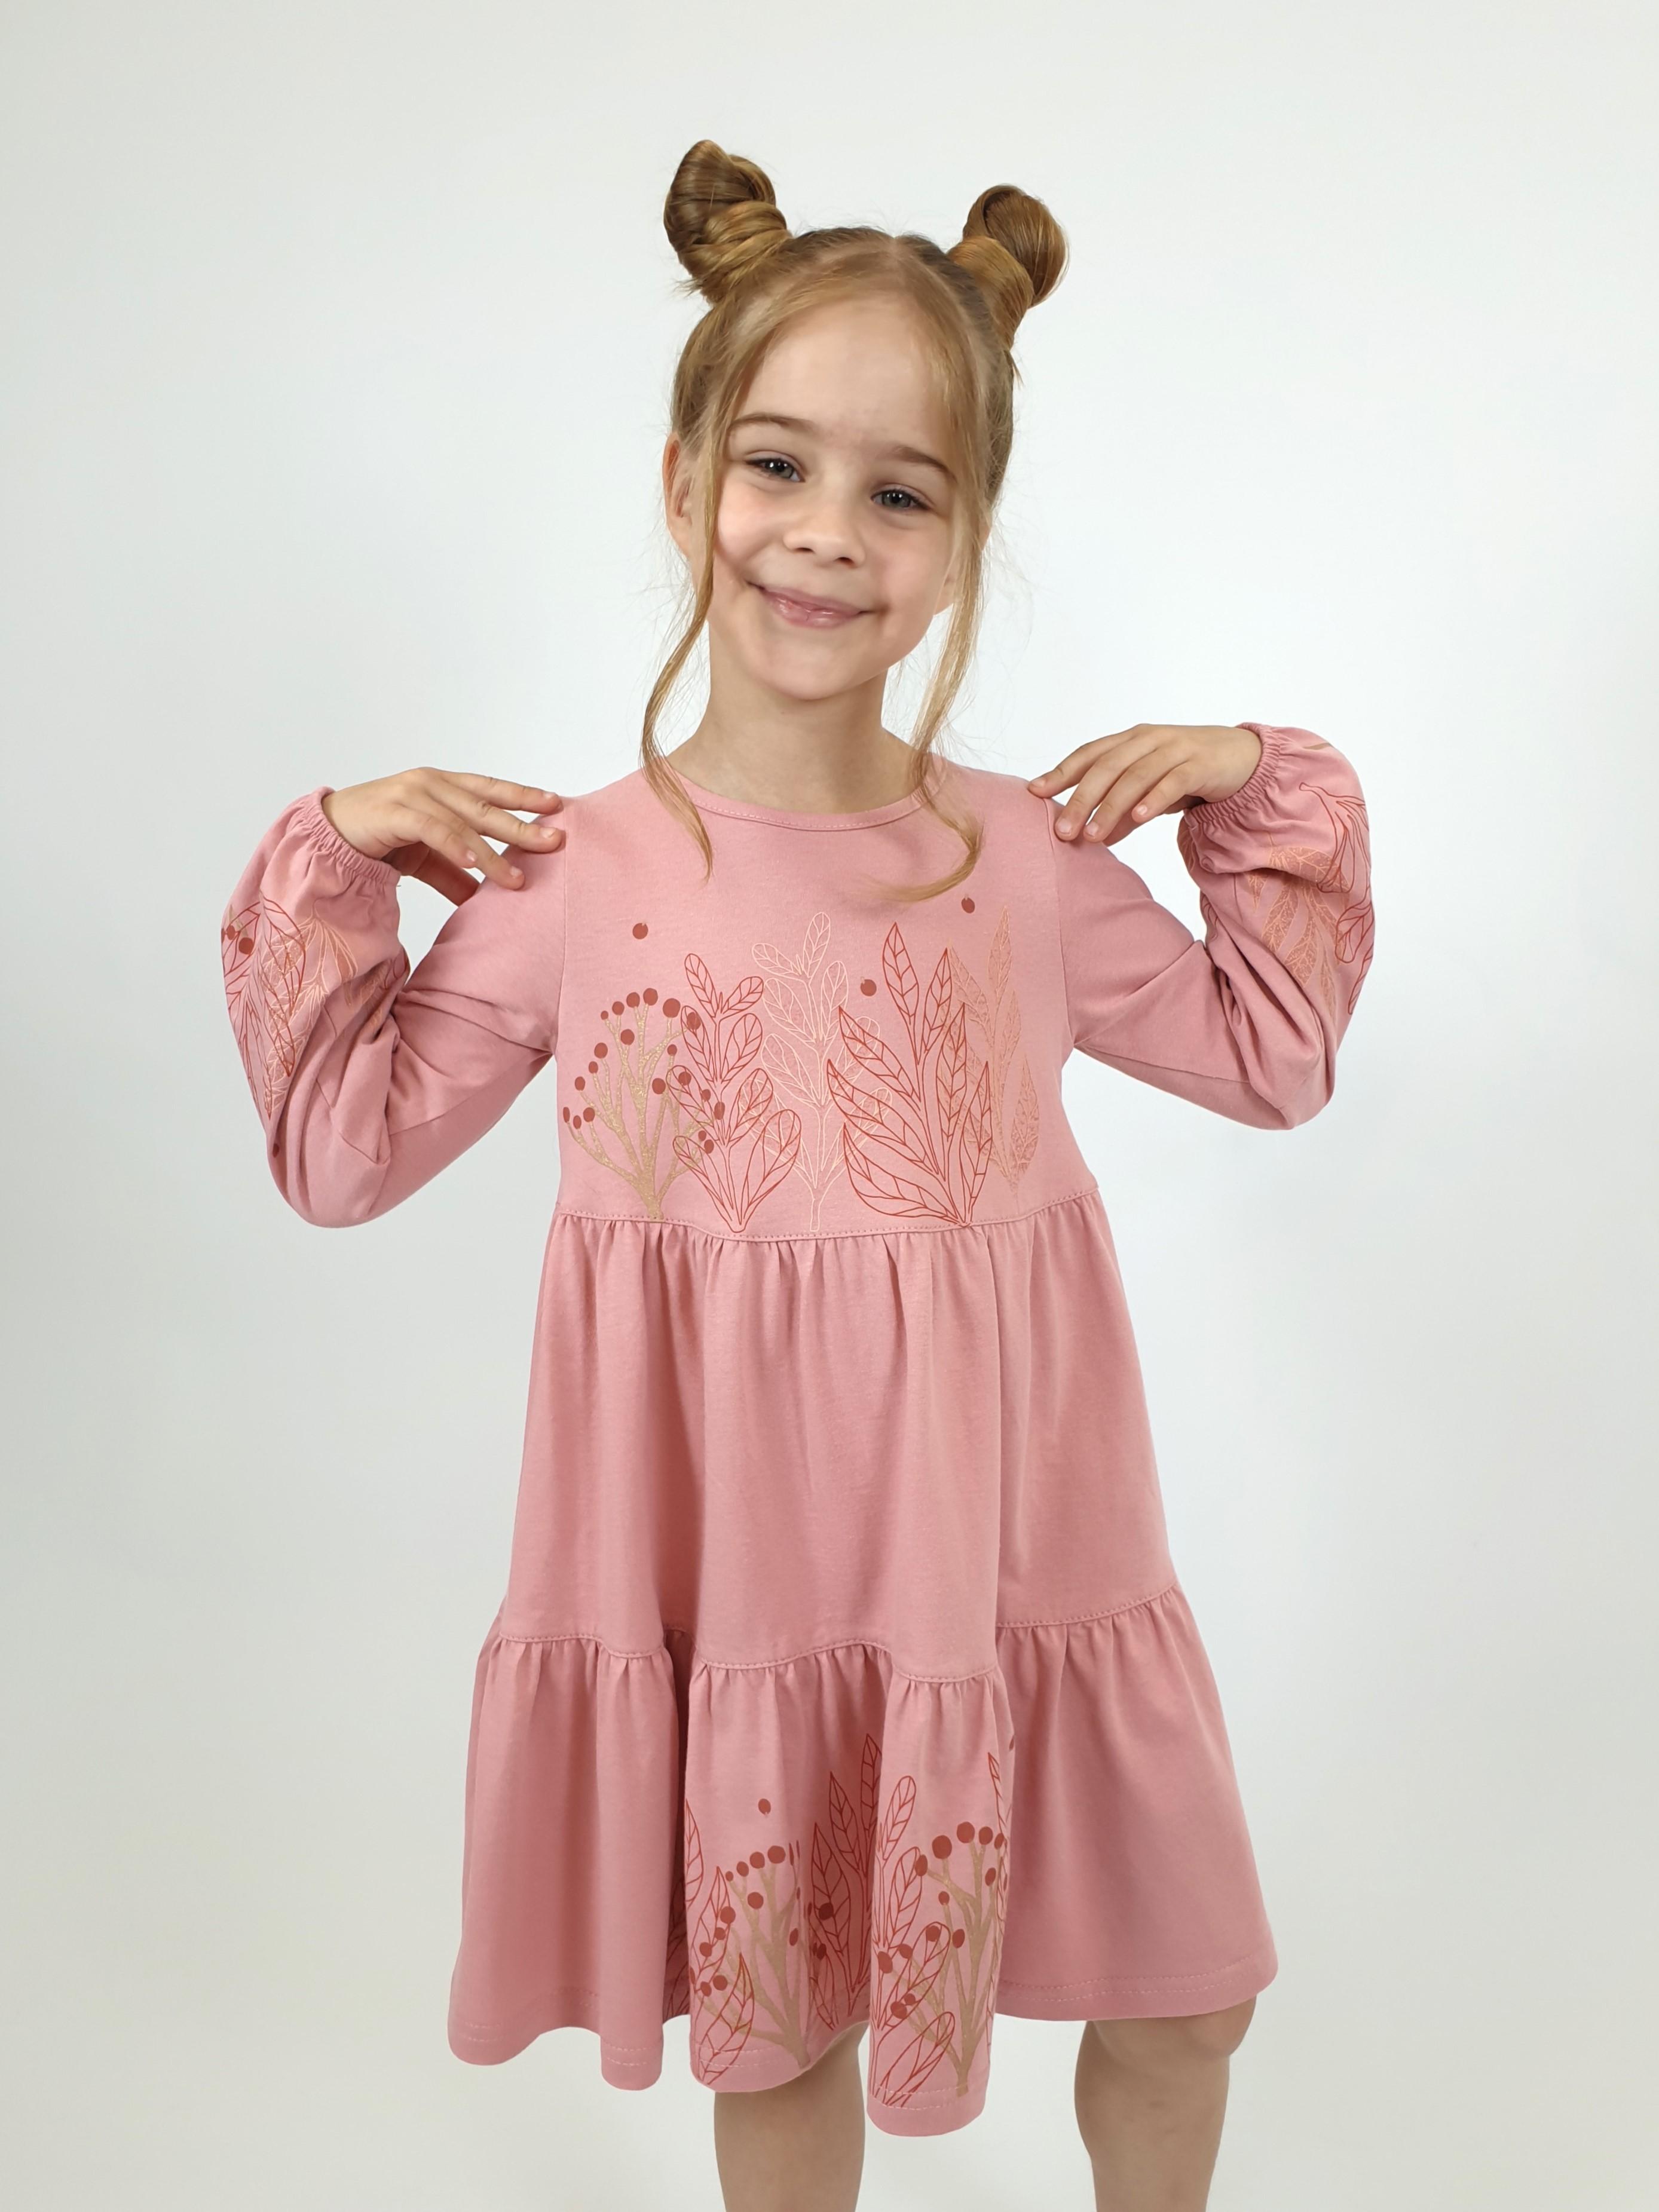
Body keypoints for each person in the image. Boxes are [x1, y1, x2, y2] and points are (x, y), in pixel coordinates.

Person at [220, 138, 1374, 2212]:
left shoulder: (1021, 857)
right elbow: (341, 1153)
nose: (829, 532)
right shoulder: (573, 877)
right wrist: (331, 855)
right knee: (787, 2026)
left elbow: (1272, 1060)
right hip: (757, 1580)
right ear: (686, 487)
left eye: (901, 492)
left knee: (1190, 1997)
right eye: (778, 466)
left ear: (966, 537)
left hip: (1024, 1567)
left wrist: (1256, 786)